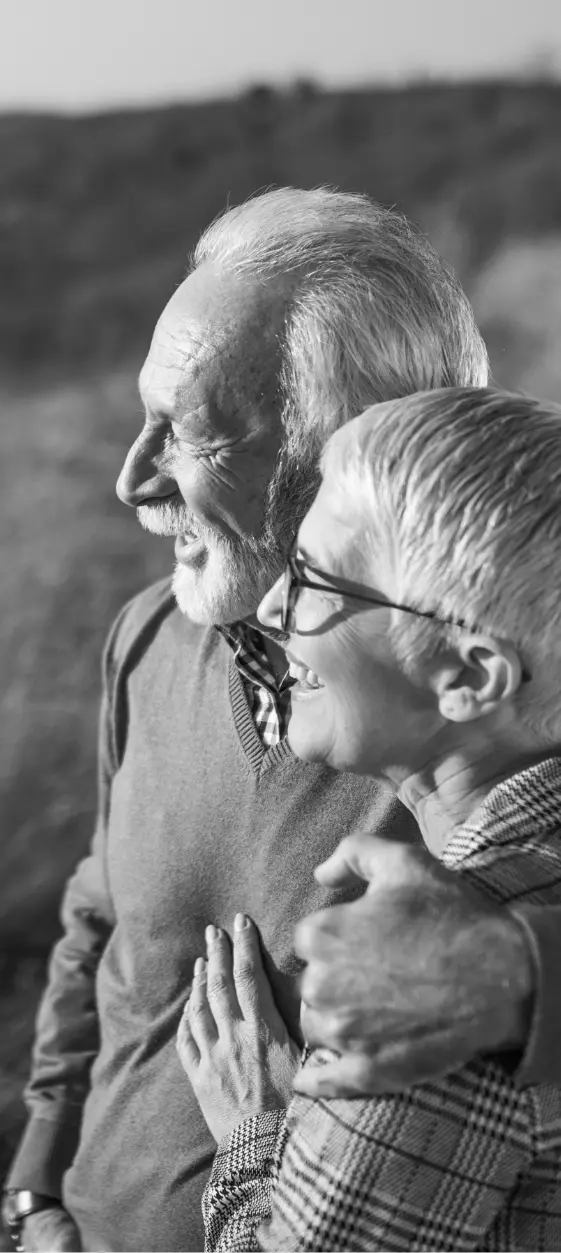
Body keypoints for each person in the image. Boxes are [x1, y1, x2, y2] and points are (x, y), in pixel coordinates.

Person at [0, 188, 541, 1253]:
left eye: (190, 434)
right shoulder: (147, 636)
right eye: (144, 419)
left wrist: (528, 974)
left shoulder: (472, 729)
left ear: (353, 448)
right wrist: (35, 1186)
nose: (131, 479)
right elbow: (101, 923)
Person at [179, 386, 561, 1252]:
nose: (269, 607)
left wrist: (256, 1130)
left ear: (470, 676)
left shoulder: (429, 990)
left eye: (314, 579)